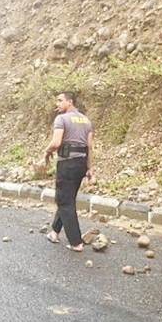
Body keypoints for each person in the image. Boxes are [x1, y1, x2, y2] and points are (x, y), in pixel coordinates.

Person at [44, 92, 94, 252]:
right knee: (67, 198)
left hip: (67, 164)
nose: (57, 104)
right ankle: (54, 232)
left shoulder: (61, 119)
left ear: (70, 102)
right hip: (81, 164)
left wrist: (47, 151)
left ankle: (76, 242)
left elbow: (56, 142)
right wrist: (89, 168)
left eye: (60, 100)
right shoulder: (86, 120)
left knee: (64, 201)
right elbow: (89, 147)